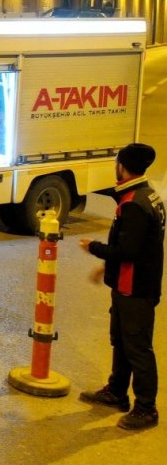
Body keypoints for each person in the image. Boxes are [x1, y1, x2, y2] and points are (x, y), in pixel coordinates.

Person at [79, 142, 166, 430]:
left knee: (138, 347)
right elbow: (138, 246)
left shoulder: (134, 204)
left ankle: (146, 408)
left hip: (136, 289)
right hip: (129, 283)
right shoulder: (146, 194)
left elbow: (127, 251)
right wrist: (106, 268)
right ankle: (117, 391)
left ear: (122, 166)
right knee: (121, 340)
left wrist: (94, 248)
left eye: (117, 161)